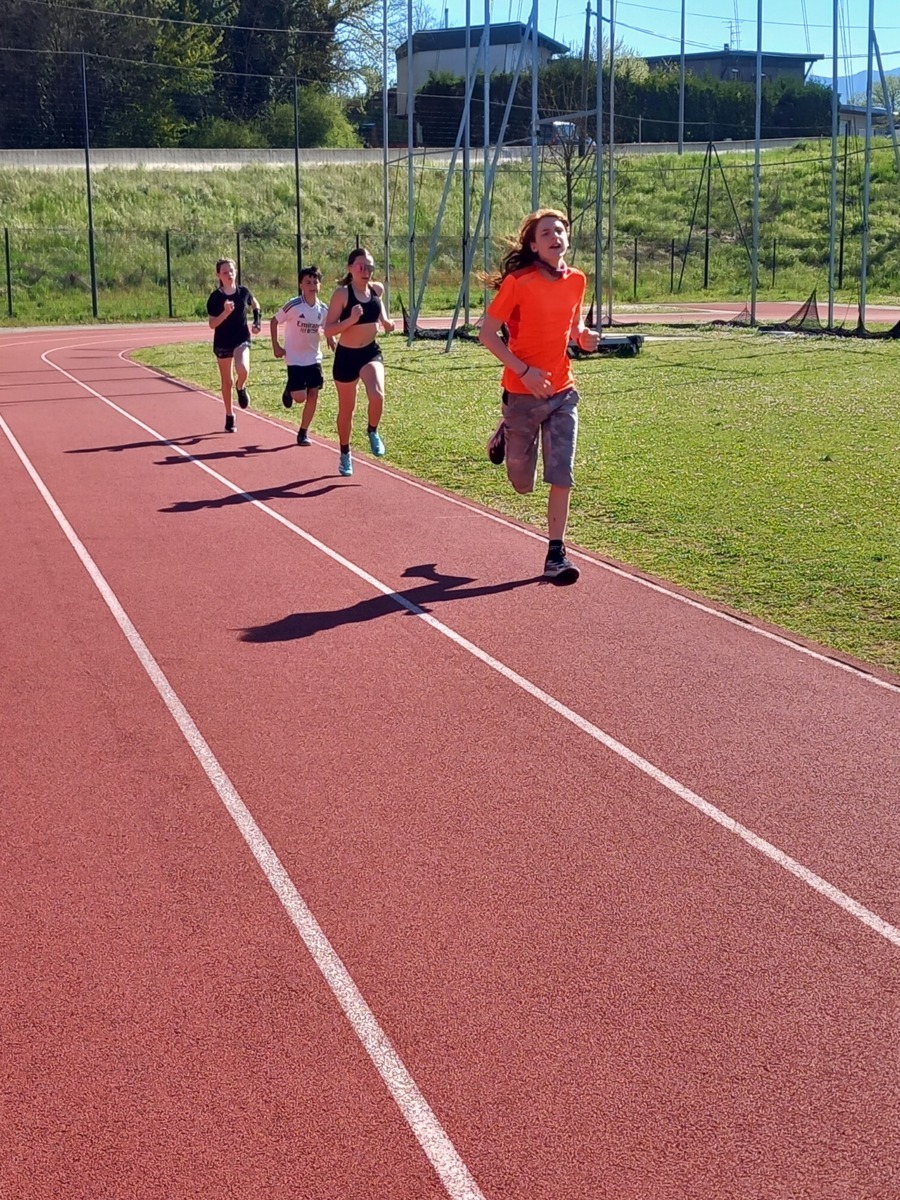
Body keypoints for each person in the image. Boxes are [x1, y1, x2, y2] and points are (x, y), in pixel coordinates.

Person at [478, 209, 599, 585]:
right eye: (546, 232)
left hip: (563, 391)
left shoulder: (578, 280)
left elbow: (574, 326)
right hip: (522, 393)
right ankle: (504, 431)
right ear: (533, 245)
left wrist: (584, 337)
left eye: (559, 230)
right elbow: (486, 334)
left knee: (561, 472)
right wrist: (524, 371)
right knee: (521, 482)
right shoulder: (519, 282)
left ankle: (556, 553)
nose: (554, 236)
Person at [323, 247, 395, 477]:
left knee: (377, 395)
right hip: (346, 356)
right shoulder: (342, 294)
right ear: (350, 268)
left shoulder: (376, 290)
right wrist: (351, 320)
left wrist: (386, 322)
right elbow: (328, 330)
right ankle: (345, 452)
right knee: (347, 410)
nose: (366, 271)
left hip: (370, 353)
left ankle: (372, 430)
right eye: (361, 266)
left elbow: (380, 309)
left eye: (370, 267)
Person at [270, 265, 334, 446]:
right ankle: (290, 388)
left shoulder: (322, 308)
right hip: (294, 358)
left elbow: (327, 326)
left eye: (315, 281)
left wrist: (331, 338)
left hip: (314, 358)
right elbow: (274, 321)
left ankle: (303, 432)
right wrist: (276, 346)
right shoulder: (294, 305)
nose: (312, 285)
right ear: (301, 285)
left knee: (313, 394)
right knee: (300, 397)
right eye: (308, 282)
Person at [206, 258, 261, 433]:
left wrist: (257, 321)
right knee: (226, 380)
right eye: (224, 272)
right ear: (218, 275)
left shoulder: (243, 291)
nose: (229, 274)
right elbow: (212, 324)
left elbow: (255, 304)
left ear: (236, 272)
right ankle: (230, 415)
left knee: (243, 369)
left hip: (241, 337)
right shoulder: (215, 297)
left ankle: (241, 386)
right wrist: (225, 312)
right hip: (223, 341)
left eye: (231, 270)